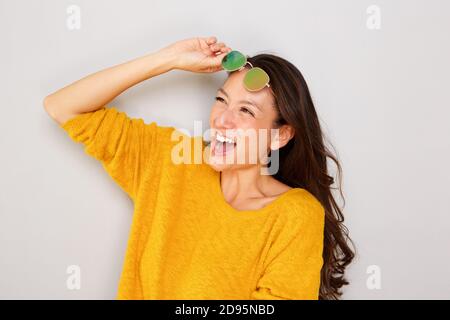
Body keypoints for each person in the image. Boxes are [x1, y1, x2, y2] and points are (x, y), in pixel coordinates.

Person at [43, 36, 354, 300]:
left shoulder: (295, 215)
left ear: (280, 134)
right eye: (222, 100)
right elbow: (62, 106)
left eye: (245, 110)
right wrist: (169, 58)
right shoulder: (171, 160)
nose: (222, 119)